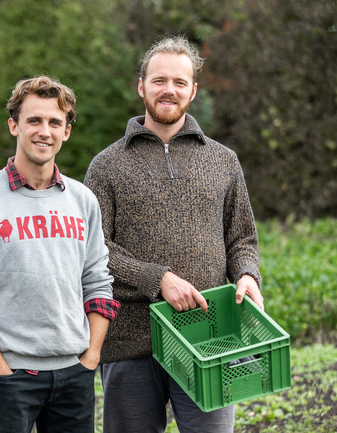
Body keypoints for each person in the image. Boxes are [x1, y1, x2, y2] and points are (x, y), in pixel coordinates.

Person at [83, 35, 264, 433]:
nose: (169, 90)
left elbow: (242, 239)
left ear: (193, 90)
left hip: (208, 337)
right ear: (141, 86)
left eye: (180, 82)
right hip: (129, 342)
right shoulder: (106, 166)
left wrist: (248, 274)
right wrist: (157, 279)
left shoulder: (223, 161)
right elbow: (92, 248)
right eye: (159, 80)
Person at [0, 76, 119, 433]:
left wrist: (91, 357)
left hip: (74, 374)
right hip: (11, 377)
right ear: (14, 125)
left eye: (55, 122)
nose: (45, 131)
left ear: (66, 131)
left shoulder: (82, 200)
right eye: (34, 120)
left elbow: (98, 281)